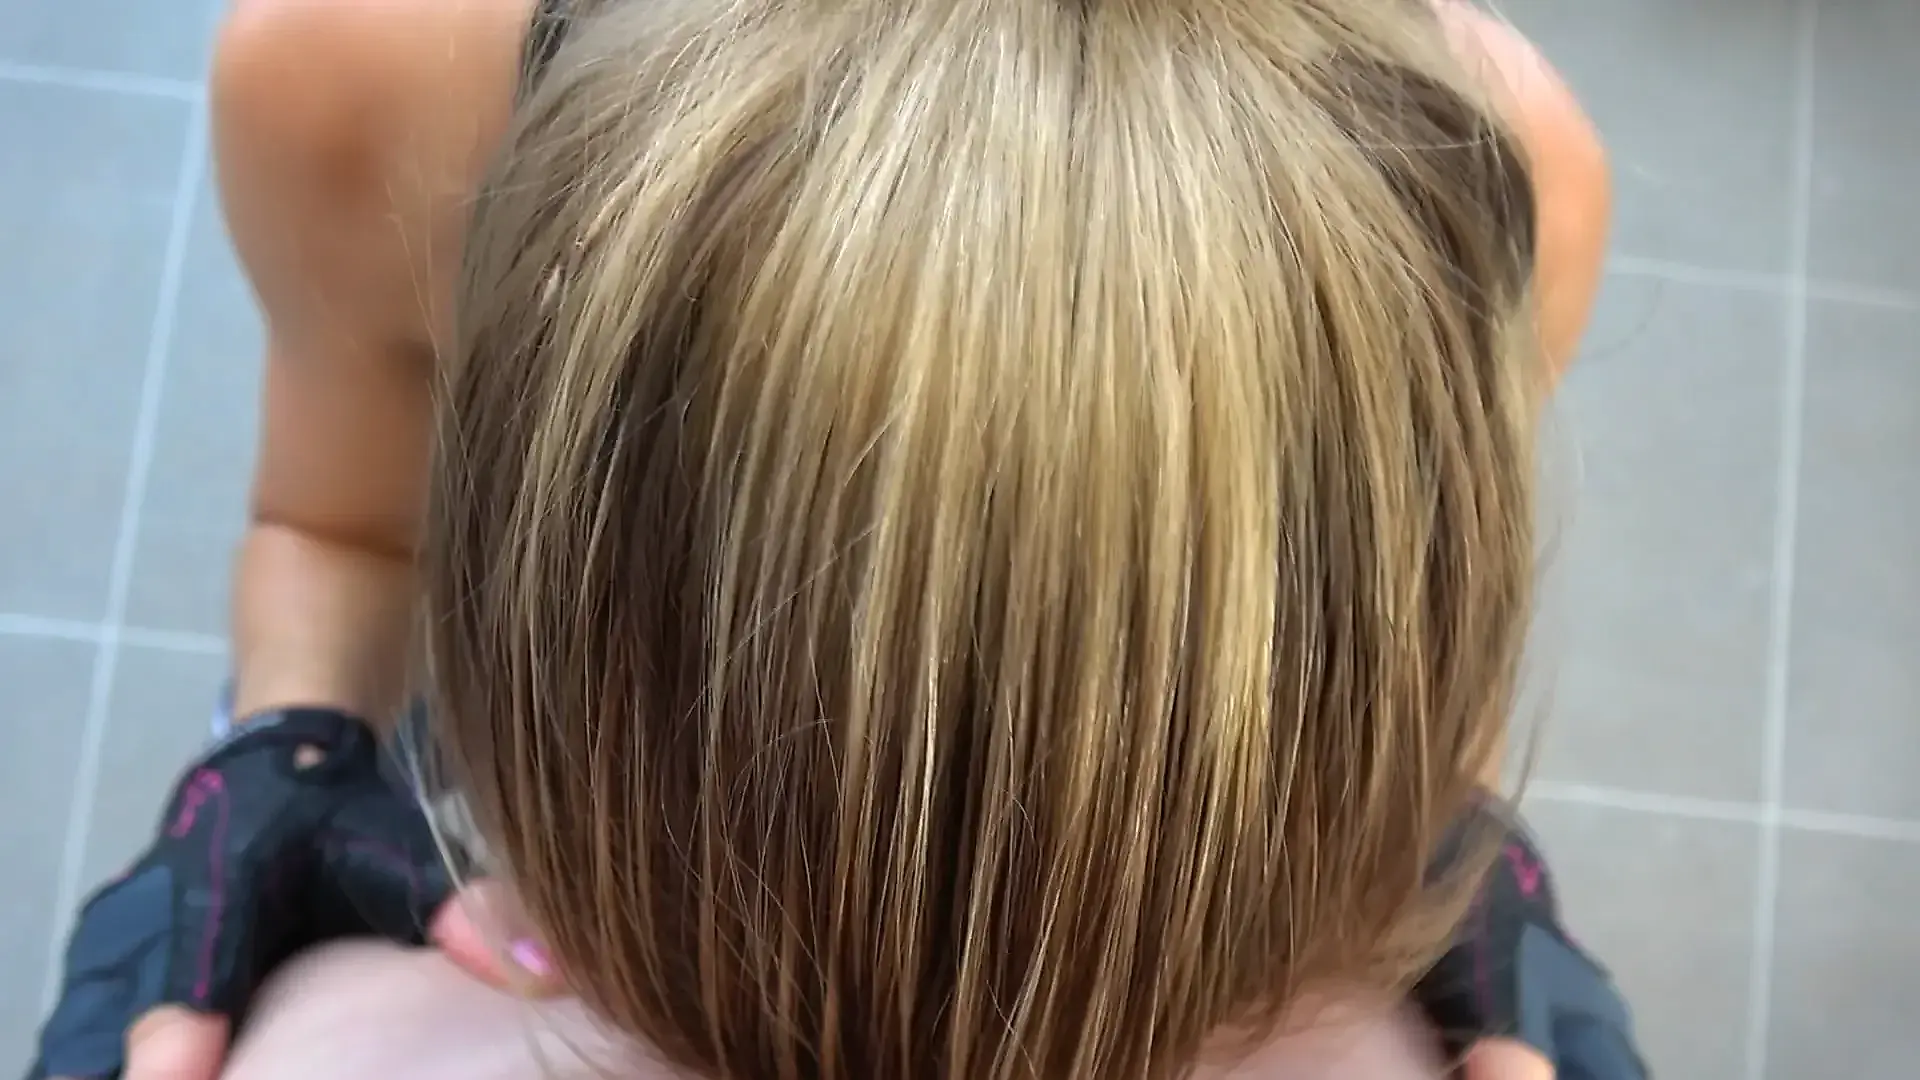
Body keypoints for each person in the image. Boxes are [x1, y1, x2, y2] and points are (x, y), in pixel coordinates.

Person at [24, 0, 1619, 1077]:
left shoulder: (1469, 192)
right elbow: (334, 527)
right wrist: (283, 753)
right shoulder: (359, 84)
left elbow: (1408, 650)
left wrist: (1446, 832)